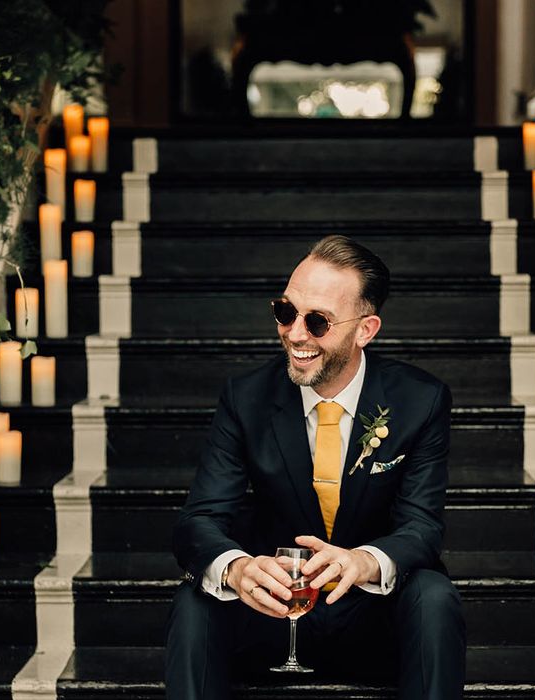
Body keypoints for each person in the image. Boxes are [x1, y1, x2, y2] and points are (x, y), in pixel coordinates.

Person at [165, 235, 466, 699]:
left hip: (372, 620)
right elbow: (199, 520)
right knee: (195, 596)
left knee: (434, 596)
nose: (295, 333)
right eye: (286, 312)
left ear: (365, 330)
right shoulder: (246, 398)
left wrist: (364, 561)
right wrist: (239, 569)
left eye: (318, 321)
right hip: (271, 614)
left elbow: (421, 528)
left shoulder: (420, 400)